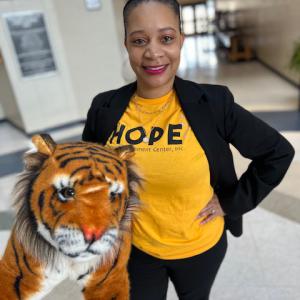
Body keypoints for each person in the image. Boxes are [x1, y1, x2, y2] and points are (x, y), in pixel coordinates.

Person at [82, 0, 295, 299]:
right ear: (127, 45)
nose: (153, 52)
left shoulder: (213, 104)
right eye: (140, 40)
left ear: (181, 40)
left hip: (199, 248)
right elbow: (88, 175)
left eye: (166, 38)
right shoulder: (104, 108)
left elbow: (277, 152)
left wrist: (230, 202)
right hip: (136, 249)